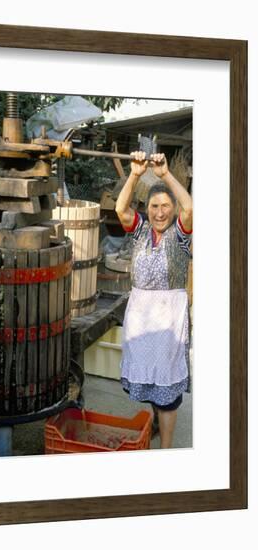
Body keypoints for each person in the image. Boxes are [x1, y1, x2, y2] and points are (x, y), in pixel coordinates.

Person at [115, 151, 193, 449]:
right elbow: (121, 208)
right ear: (147, 209)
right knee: (148, 385)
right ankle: (155, 427)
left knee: (168, 394)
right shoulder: (140, 231)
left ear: (172, 210)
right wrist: (135, 174)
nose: (159, 212)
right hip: (142, 317)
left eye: (165, 207)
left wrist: (164, 176)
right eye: (154, 206)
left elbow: (191, 207)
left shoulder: (181, 234)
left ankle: (166, 450)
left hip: (169, 321)